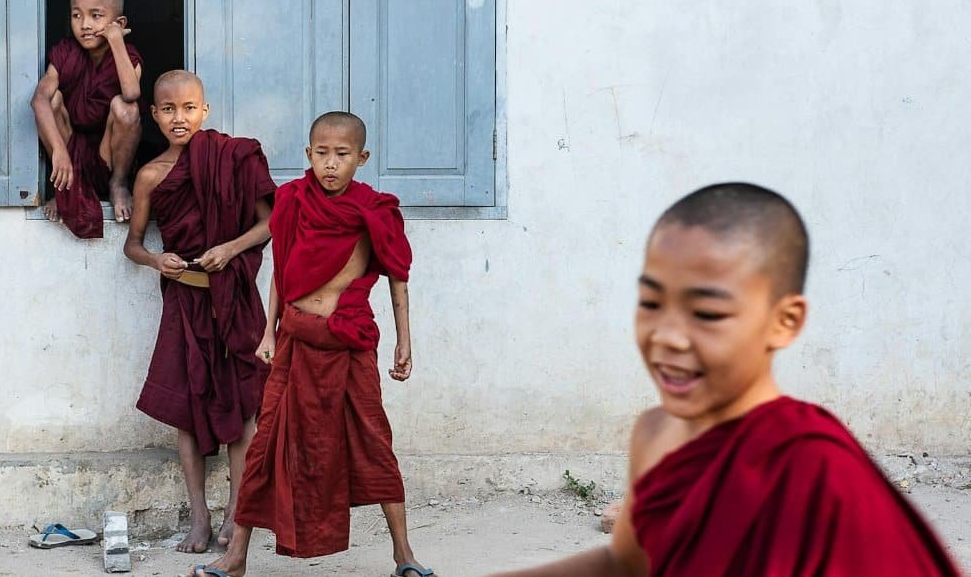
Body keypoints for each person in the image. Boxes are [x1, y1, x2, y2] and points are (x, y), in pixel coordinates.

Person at [488, 183, 961, 577]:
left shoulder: (817, 469)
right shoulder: (653, 434)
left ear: (785, 322)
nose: (667, 337)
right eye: (651, 303)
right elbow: (625, 565)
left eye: (707, 313)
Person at [193, 112, 433, 577]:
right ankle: (236, 557)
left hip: (349, 343)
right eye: (321, 153)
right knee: (267, 444)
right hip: (296, 340)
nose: (330, 164)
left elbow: (398, 277)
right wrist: (268, 332)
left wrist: (406, 341)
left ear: (361, 158)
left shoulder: (374, 210)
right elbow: (282, 270)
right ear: (308, 154)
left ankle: (404, 555)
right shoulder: (293, 201)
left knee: (374, 442)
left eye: (342, 155)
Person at [124, 70, 275, 553]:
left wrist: (230, 249)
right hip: (184, 301)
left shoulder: (234, 157)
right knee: (186, 412)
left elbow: (269, 223)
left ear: (204, 111)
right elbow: (132, 244)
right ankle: (199, 516)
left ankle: (237, 511)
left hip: (232, 296)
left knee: (242, 406)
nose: (179, 118)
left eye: (189, 108)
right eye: (167, 110)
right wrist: (155, 259)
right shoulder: (150, 175)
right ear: (154, 115)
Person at [31, 0, 143, 238]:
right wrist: (59, 151)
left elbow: (131, 93)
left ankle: (118, 183)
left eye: (96, 16)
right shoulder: (65, 52)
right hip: (68, 150)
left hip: (108, 150)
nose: (85, 25)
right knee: (53, 99)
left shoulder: (129, 55)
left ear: (119, 23)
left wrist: (116, 41)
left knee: (126, 108)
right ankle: (64, 188)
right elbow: (39, 99)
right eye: (76, 16)